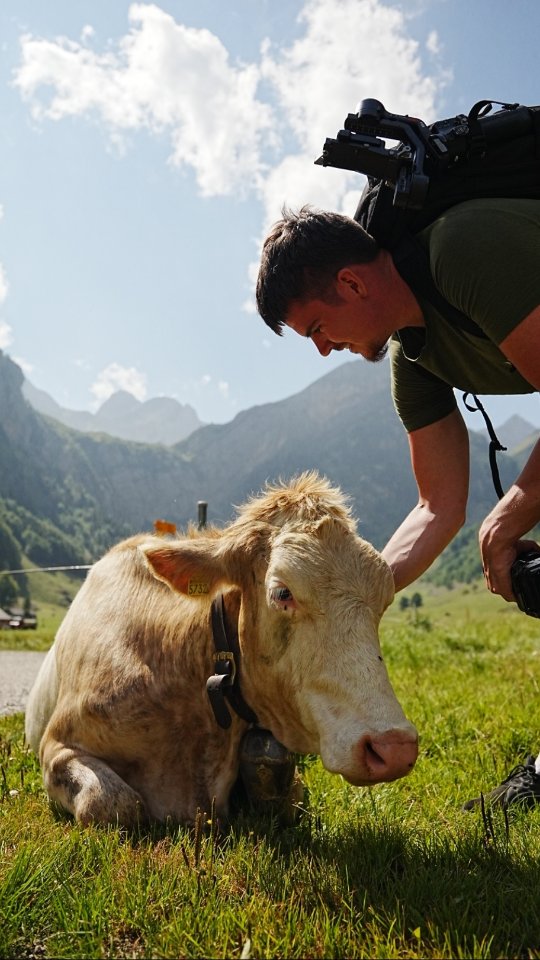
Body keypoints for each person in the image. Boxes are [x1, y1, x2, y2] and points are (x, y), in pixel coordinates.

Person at [255, 198, 540, 810]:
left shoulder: (464, 250)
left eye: (316, 330)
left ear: (351, 282)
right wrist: (354, 591)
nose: (324, 349)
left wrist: (513, 511)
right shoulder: (415, 360)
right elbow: (438, 504)